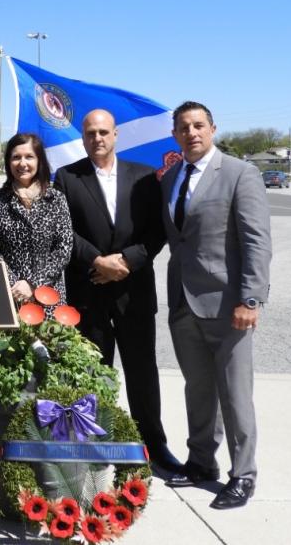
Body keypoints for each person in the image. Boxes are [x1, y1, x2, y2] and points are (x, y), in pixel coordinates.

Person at [53, 109, 178, 473]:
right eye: (90, 133)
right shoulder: (67, 177)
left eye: (104, 132)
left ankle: (154, 444)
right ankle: (93, 446)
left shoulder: (143, 177)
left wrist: (126, 261)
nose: (98, 139)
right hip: (89, 290)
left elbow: (157, 231)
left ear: (116, 134)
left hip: (134, 291)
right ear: (83, 136)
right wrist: (98, 262)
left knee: (142, 371)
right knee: (93, 373)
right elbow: (64, 232)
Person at [161, 102, 272, 510]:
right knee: (199, 389)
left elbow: (257, 241)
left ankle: (243, 474)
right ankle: (201, 462)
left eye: (199, 125)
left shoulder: (241, 174)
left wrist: (251, 298)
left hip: (230, 307)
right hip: (184, 305)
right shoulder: (171, 176)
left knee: (236, 394)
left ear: (213, 128)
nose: (192, 133)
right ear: (175, 134)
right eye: (184, 127)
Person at [0, 133, 72, 309]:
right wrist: (14, 283)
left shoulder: (56, 199)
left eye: (29, 157)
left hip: (49, 297)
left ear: (39, 161)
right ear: (9, 162)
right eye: (16, 157)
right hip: (9, 296)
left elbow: (64, 248)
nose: (22, 163)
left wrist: (33, 283)